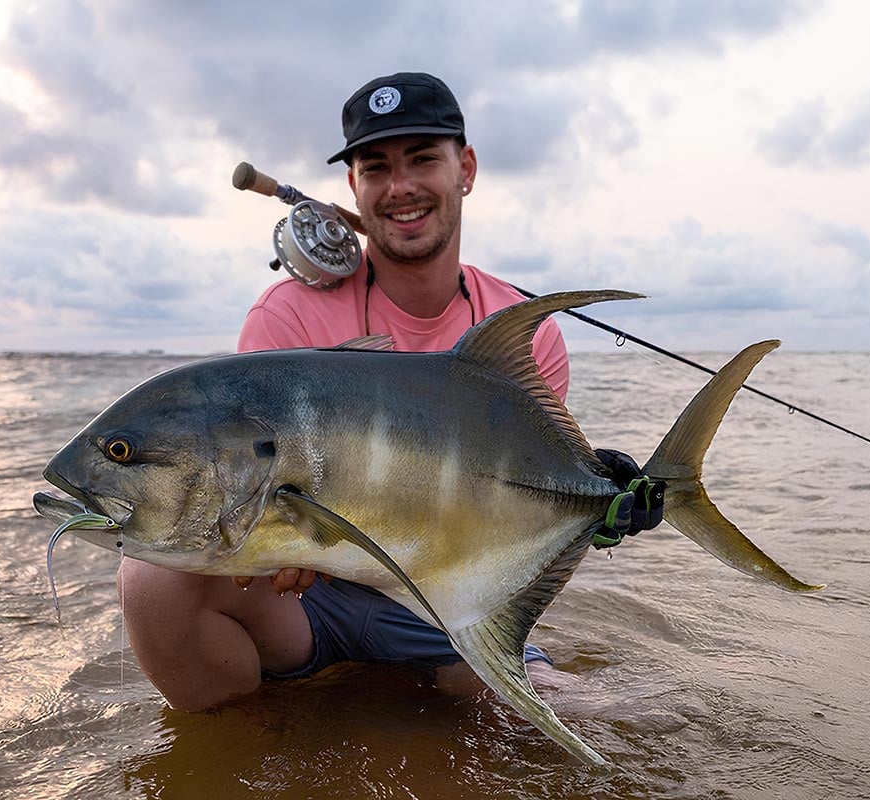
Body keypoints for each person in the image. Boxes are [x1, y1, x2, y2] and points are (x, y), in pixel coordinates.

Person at [117, 72, 573, 711]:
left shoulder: (522, 331)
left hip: (450, 595)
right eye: (376, 167)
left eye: (422, 159)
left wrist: (601, 499)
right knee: (151, 581)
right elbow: (246, 483)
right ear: (353, 186)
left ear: (465, 168)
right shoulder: (287, 316)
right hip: (304, 602)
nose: (401, 187)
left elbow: (533, 496)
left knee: (558, 725)